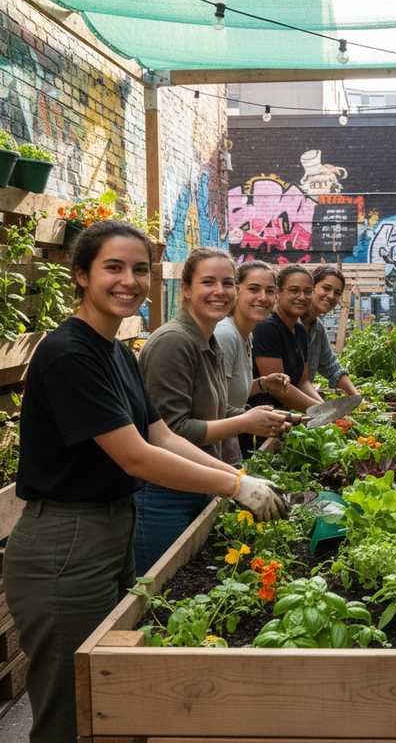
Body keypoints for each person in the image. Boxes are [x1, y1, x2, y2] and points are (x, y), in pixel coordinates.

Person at [2, 221, 287, 743]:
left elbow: (158, 433)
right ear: (82, 275)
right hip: (66, 545)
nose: (129, 280)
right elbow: (135, 457)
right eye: (113, 267)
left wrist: (238, 474)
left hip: (109, 533)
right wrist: (233, 489)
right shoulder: (69, 354)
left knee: (112, 698)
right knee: (73, 709)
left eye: (139, 269)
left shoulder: (115, 351)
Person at [134, 247, 291, 574]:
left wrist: (262, 419)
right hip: (166, 494)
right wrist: (244, 423)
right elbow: (169, 432)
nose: (220, 291)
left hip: (201, 481)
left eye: (227, 282)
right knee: (159, 600)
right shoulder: (174, 343)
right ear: (187, 289)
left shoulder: (210, 341)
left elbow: (217, 411)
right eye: (208, 282)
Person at [215, 260, 290, 463]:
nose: (263, 298)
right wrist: (257, 420)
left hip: (227, 444)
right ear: (236, 291)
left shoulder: (246, 335)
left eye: (270, 291)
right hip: (210, 452)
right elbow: (214, 407)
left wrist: (262, 384)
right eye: (254, 289)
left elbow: (229, 393)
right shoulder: (226, 335)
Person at [253, 264, 323, 412]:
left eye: (308, 291)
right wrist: (321, 412)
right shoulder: (267, 328)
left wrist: (326, 408)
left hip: (282, 419)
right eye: (294, 290)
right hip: (258, 421)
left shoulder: (300, 330)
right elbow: (279, 389)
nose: (302, 297)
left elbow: (303, 381)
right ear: (278, 293)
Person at [302, 265, 358, 396]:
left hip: (297, 406)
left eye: (337, 293)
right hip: (269, 409)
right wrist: (324, 411)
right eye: (326, 288)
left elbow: (332, 367)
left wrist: (356, 397)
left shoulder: (317, 328)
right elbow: (293, 383)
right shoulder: (290, 323)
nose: (331, 296)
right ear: (311, 287)